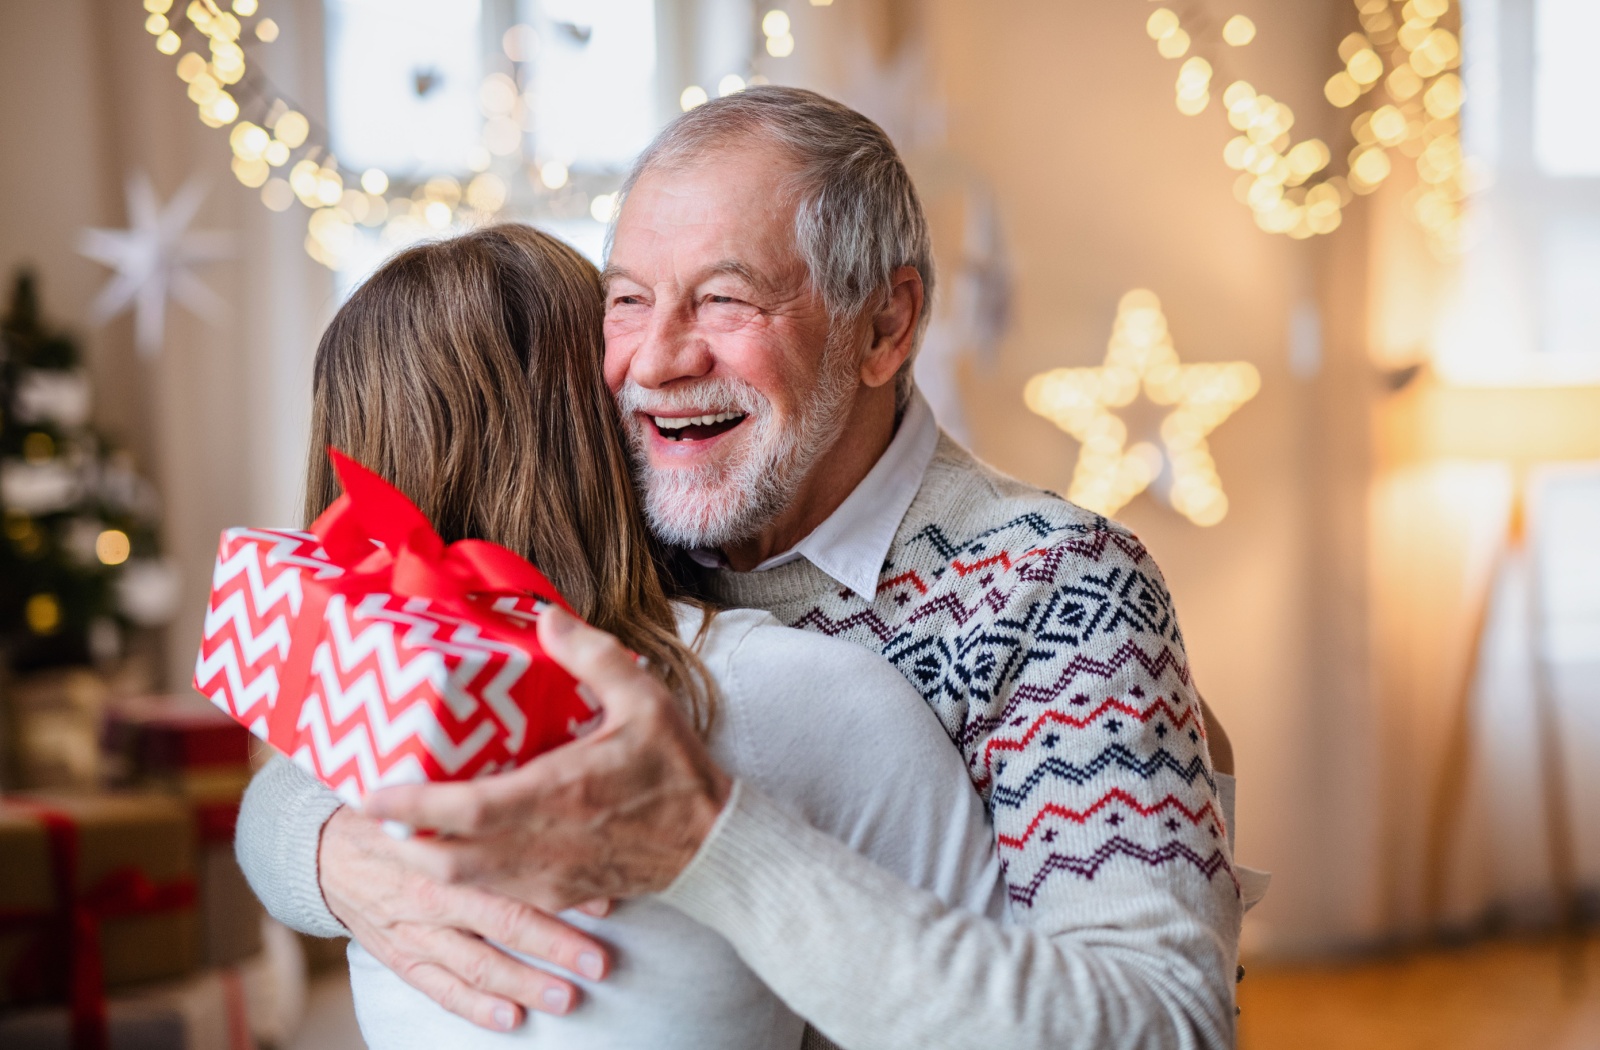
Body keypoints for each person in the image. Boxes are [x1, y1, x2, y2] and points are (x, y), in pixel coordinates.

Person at [240, 87, 1247, 1048]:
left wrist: (713, 849)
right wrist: (329, 858)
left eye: (723, 299)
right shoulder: (624, 519)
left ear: (885, 325)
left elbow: (1164, 1027)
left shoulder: (1058, 587)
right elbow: (305, 761)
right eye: (628, 301)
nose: (657, 360)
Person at [238, 222, 1008, 1048]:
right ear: (600, 419)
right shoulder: (779, 689)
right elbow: (1003, 1004)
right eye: (628, 327)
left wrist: (312, 849)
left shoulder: (354, 719)